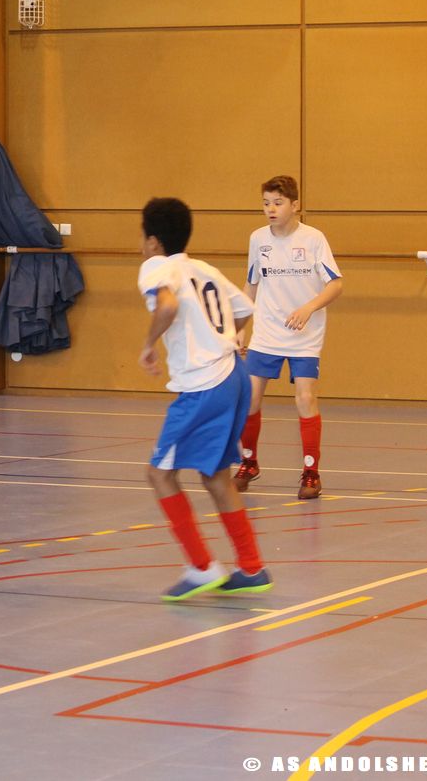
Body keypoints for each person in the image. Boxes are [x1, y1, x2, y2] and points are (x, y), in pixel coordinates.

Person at [137, 197, 272, 601]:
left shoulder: (157, 266)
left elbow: (167, 305)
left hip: (204, 385)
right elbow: (244, 309)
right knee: (215, 476)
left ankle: (201, 567)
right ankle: (251, 566)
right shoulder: (204, 269)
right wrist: (221, 338)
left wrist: (149, 344)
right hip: (234, 376)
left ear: (154, 241)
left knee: (160, 474)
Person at [234, 176, 343, 500]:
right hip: (267, 333)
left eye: (278, 203)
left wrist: (309, 307)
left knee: (305, 399)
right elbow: (251, 285)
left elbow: (336, 284)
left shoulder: (313, 239)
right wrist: (239, 326)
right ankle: (249, 463)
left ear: (295, 205)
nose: (271, 209)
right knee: (249, 399)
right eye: (266, 203)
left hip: (304, 336)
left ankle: (311, 472)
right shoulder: (258, 239)